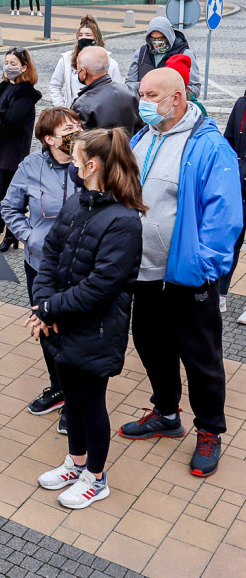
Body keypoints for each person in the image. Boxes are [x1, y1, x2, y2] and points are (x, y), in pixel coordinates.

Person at [119, 68, 242, 477]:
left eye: (152, 94)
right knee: (152, 346)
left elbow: (225, 218)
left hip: (188, 277)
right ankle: (167, 414)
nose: (144, 101)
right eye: (141, 93)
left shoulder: (208, 146)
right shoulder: (143, 136)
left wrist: (204, 269)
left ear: (177, 98)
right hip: (145, 273)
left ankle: (209, 430)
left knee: (201, 358)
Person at [28, 127, 145, 509]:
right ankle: (75, 462)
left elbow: (101, 286)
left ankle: (95, 477)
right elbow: (51, 255)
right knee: (72, 401)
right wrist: (43, 303)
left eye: (76, 158)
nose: (71, 163)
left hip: (94, 331)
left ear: (92, 165)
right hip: (62, 324)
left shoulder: (124, 221)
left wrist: (49, 309)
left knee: (90, 404)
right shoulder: (78, 203)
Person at [2, 107, 81, 434]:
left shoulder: (88, 162)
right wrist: (29, 236)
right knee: (46, 327)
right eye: (67, 128)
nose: (75, 131)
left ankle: (77, 400)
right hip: (40, 265)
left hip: (79, 266)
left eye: (77, 125)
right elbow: (9, 206)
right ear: (48, 138)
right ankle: (59, 387)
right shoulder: (31, 167)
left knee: (74, 332)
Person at [0, 47, 42, 252]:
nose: (8, 66)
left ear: (24, 67)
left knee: (3, 196)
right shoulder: (6, 85)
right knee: (7, 195)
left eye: (13, 63)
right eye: (6, 62)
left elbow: (11, 121)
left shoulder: (25, 93)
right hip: (1, 149)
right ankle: (10, 234)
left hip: (13, 150)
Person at [49, 15, 123, 107]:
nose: (83, 38)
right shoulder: (66, 60)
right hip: (73, 114)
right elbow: (54, 86)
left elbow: (118, 91)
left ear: (96, 38)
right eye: (80, 35)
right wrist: (61, 108)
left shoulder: (110, 63)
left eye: (88, 35)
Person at [72, 46, 141, 136]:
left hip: (100, 149)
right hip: (129, 147)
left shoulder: (82, 104)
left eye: (78, 67)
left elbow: (80, 139)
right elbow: (140, 127)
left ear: (84, 72)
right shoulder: (129, 91)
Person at [126, 16, 200, 97]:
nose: (157, 42)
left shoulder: (185, 54)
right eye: (153, 39)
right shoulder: (141, 54)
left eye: (161, 38)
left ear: (169, 36)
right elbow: (129, 84)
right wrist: (145, 86)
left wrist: (170, 90)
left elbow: (195, 89)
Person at [222, 86, 246, 321]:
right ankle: (220, 294)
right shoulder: (241, 103)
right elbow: (228, 141)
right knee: (232, 240)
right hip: (239, 187)